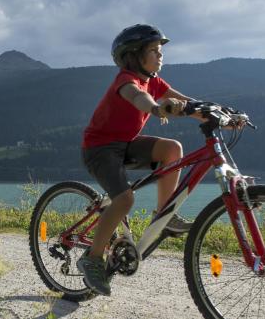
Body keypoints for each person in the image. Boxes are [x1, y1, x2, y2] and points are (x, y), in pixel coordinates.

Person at [77, 24, 199, 296]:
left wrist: (219, 114)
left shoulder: (154, 80)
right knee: (125, 199)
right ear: (134, 56)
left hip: (126, 145)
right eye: (154, 51)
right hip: (100, 149)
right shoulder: (126, 81)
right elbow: (138, 97)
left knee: (172, 149)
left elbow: (187, 103)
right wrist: (156, 108)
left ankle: (163, 215)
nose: (160, 56)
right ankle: (93, 258)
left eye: (160, 51)